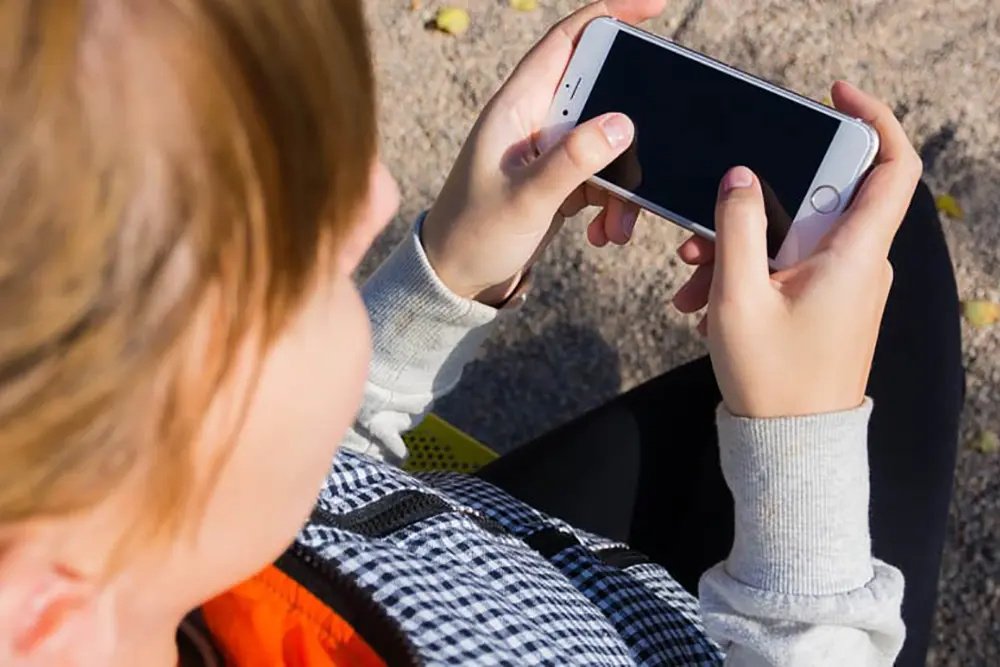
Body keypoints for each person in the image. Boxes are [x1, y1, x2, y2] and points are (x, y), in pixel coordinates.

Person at [0, 0, 961, 665]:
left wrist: (447, 272)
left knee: (857, 232)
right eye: (300, 264)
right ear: (41, 617)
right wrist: (798, 446)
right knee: (886, 243)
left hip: (488, 565)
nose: (377, 193)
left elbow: (299, 473)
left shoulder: (134, 534)